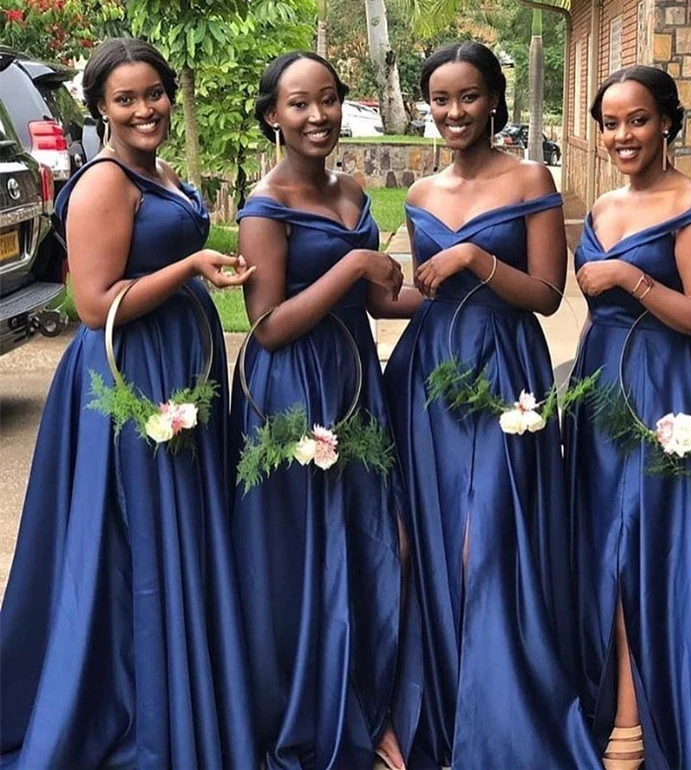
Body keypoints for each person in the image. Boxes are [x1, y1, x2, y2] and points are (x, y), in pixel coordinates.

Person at [0, 38, 257, 769]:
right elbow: (93, 304)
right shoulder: (105, 183)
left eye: (155, 93)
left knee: (177, 530)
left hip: (176, 363)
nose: (146, 109)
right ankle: (138, 711)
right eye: (126, 99)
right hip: (130, 376)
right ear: (101, 109)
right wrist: (190, 265)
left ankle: (186, 689)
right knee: (137, 537)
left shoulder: (160, 171)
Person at [383, 41, 603, 769]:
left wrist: (477, 258)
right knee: (439, 536)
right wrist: (365, 288)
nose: (454, 112)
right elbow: (426, 294)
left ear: (495, 101)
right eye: (440, 99)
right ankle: (444, 716)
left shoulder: (530, 177)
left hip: (505, 369)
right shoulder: (420, 194)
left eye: (469, 96)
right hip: (429, 374)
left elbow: (546, 294)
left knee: (493, 538)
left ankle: (503, 722)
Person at [229, 51, 423, 770]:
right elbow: (268, 325)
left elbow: (377, 300)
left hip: (354, 379)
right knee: (308, 554)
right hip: (291, 388)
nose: (319, 116)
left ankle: (370, 708)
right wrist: (353, 264)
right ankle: (311, 714)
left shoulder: (352, 190)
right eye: (300, 104)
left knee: (377, 542)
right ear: (273, 116)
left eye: (330, 99)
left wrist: (461, 296)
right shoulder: (264, 206)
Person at [565, 65, 691, 770]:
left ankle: (638, 719)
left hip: (668, 388)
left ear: (667, 124)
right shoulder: (602, 205)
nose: (622, 135)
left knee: (654, 544)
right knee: (605, 545)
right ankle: (611, 700)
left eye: (637, 120)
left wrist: (629, 276)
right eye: (610, 123)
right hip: (601, 387)